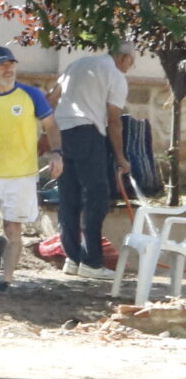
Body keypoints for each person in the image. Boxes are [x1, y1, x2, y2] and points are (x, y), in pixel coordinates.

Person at [0, 45, 62, 292]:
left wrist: (57, 154)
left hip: (20, 175)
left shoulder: (31, 95)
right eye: (1, 65)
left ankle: (5, 281)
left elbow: (51, 127)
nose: (8, 69)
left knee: (12, 228)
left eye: (11, 64)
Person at [52, 43, 137, 272]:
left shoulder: (77, 64)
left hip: (62, 133)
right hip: (88, 133)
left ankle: (73, 257)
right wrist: (121, 158)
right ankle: (91, 262)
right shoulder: (115, 75)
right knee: (97, 197)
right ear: (123, 57)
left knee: (69, 197)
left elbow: (52, 98)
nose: (131, 67)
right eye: (132, 61)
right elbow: (115, 121)